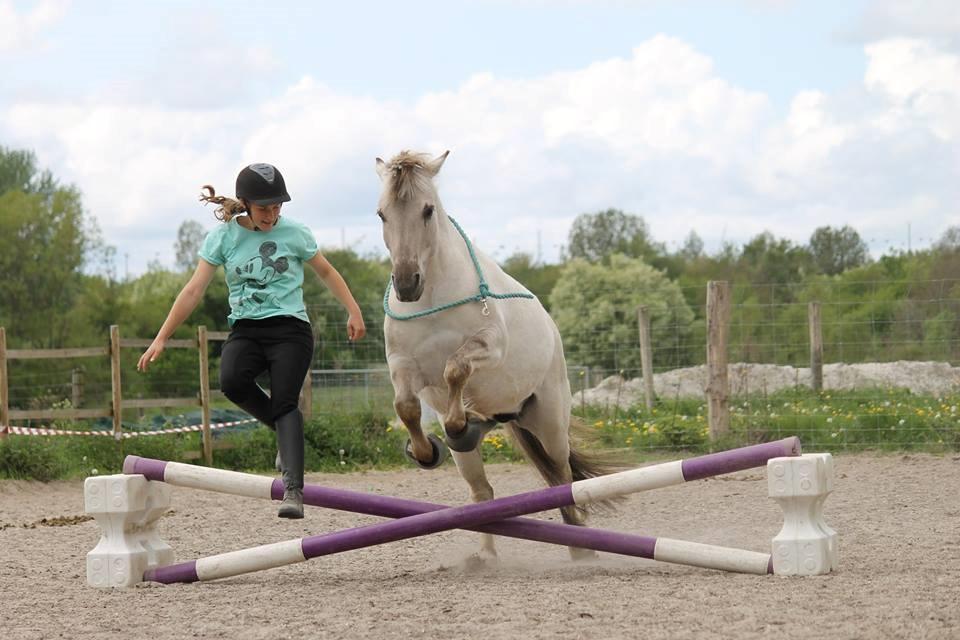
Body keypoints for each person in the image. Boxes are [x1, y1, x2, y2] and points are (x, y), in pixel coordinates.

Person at [137, 163, 366, 519]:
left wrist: (353, 310)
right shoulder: (224, 237)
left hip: (290, 330)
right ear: (245, 203)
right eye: (264, 208)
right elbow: (193, 290)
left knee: (286, 401)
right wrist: (161, 337)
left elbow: (326, 271)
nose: (272, 215)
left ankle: (293, 489)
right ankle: (284, 435)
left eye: (278, 207)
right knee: (231, 381)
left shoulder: (295, 233)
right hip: (246, 329)